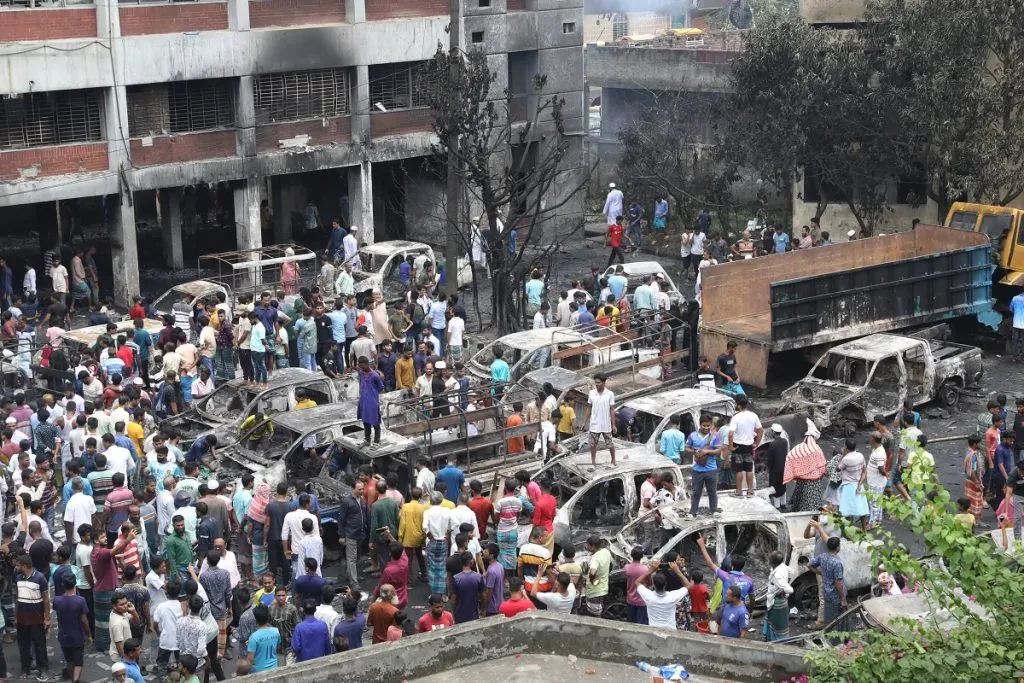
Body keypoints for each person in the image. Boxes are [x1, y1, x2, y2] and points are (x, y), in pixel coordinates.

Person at [809, 537, 847, 638]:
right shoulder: (837, 563)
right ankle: (836, 640)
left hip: (826, 593)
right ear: (838, 547)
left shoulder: (822, 556)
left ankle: (829, 636)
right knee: (838, 619)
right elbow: (838, 583)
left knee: (829, 617)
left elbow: (809, 565)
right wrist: (843, 599)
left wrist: (820, 572)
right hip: (836, 596)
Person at [686, 414, 721, 518]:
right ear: (700, 425)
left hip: (711, 469)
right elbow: (686, 448)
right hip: (697, 469)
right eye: (704, 425)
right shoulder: (692, 436)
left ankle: (714, 509)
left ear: (711, 425)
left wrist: (706, 451)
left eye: (708, 426)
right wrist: (694, 452)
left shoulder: (715, 437)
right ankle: (693, 512)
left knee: (712, 491)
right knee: (696, 492)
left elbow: (719, 451)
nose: (706, 428)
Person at [727, 395, 762, 496]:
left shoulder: (735, 418)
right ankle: (749, 490)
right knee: (749, 469)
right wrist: (757, 443)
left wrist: (730, 447)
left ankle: (739, 491)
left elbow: (730, 434)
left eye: (735, 403)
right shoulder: (753, 416)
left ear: (738, 404)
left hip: (737, 447)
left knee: (739, 470)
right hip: (749, 447)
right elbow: (760, 430)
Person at [837, 438, 869, 530]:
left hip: (848, 486)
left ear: (846, 447)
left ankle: (850, 532)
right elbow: (864, 471)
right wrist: (859, 484)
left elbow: (838, 468)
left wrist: (843, 454)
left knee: (848, 511)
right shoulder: (860, 456)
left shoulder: (846, 459)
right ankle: (864, 530)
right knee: (862, 509)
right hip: (859, 484)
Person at [763, 550, 793, 641]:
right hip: (779, 601)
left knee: (777, 624)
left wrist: (781, 591)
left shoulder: (778, 575)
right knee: (775, 622)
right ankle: (772, 638)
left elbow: (790, 590)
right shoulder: (782, 566)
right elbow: (792, 572)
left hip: (776, 602)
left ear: (771, 561)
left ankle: (778, 642)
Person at [587, 373, 616, 467]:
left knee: (610, 444)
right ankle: (593, 462)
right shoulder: (591, 393)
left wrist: (613, 424)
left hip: (606, 424)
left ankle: (613, 459)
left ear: (604, 383)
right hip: (594, 424)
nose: (597, 385)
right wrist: (584, 421)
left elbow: (612, 409)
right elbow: (589, 407)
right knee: (592, 445)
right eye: (596, 383)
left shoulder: (610, 394)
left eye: (599, 383)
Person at [450, 552, 484, 624]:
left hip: (460, 615)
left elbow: (453, 600)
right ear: (472, 562)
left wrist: (452, 613)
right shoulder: (478, 577)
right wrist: (483, 609)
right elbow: (484, 596)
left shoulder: (456, 578)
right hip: (474, 615)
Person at [245, 605, 280, 673]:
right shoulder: (276, 631)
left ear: (255, 620)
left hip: (258, 671)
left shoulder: (254, 637)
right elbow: (277, 647)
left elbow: (250, 660)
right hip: (274, 668)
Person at [584, 535, 611, 618]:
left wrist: (592, 581)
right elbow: (611, 565)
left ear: (592, 546)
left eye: (587, 545)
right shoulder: (606, 552)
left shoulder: (595, 558)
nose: (586, 546)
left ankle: (596, 629)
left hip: (594, 591)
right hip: (603, 587)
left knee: (595, 613)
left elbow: (592, 573)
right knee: (598, 609)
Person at [766, 424, 789, 509]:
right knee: (783, 485)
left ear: (773, 432)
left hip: (775, 469)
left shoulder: (772, 444)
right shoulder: (785, 442)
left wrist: (768, 469)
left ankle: (777, 507)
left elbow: (770, 459)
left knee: (775, 487)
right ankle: (783, 504)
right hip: (784, 468)